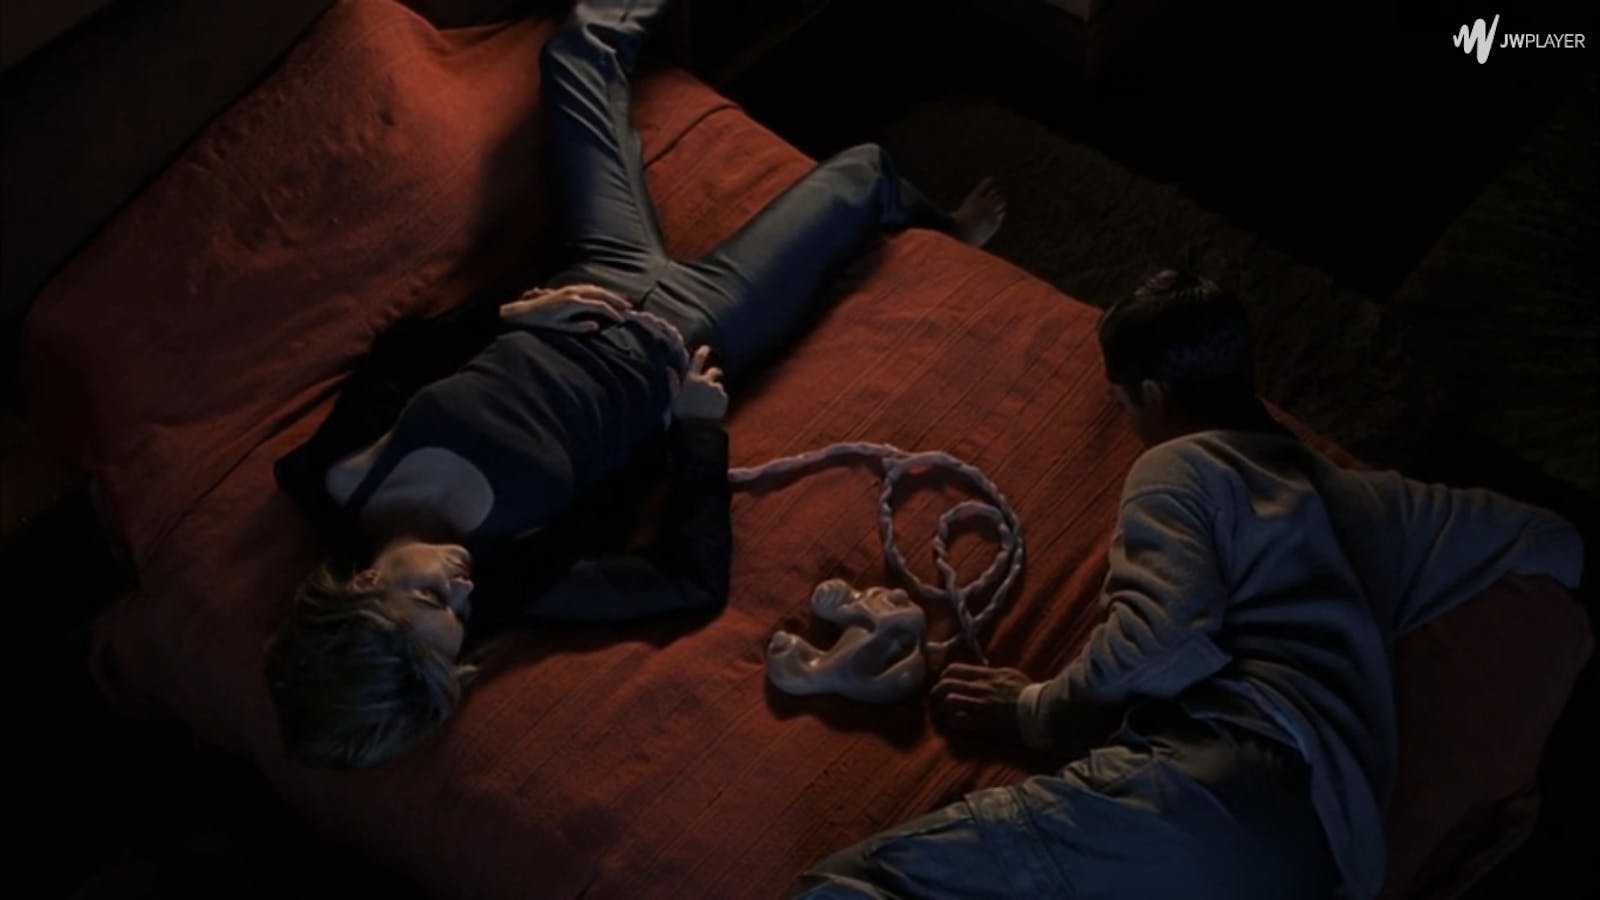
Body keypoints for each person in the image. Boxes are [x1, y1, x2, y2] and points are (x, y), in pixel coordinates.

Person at [265, 0, 1006, 771]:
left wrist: (517, 313)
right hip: (692, 331)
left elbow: (397, 356)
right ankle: (943, 229)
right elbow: (685, 582)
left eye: (428, 597)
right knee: (864, 171)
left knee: (575, 54)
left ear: (363, 581)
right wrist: (697, 429)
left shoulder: (343, 471)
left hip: (593, 272)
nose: (461, 586)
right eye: (458, 617)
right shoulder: (514, 584)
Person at [794, 270, 1584, 899]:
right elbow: (1556, 541)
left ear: (1151, 397)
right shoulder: (1376, 501)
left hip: (1218, 792)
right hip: (1329, 858)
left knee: (857, 885)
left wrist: (1034, 712)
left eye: (1120, 403)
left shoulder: (1180, 464)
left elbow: (1158, 644)